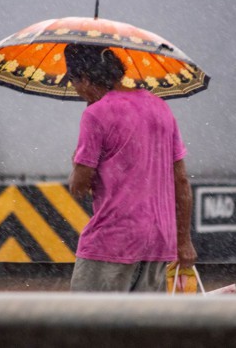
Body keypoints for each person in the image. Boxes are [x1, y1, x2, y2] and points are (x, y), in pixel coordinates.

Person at [64, 43, 197, 293]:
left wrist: (76, 160)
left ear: (85, 78)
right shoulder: (160, 107)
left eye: (74, 81)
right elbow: (181, 181)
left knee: (84, 326)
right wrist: (184, 241)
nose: (76, 90)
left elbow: (79, 186)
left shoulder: (95, 114)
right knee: (139, 329)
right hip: (159, 243)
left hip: (112, 241)